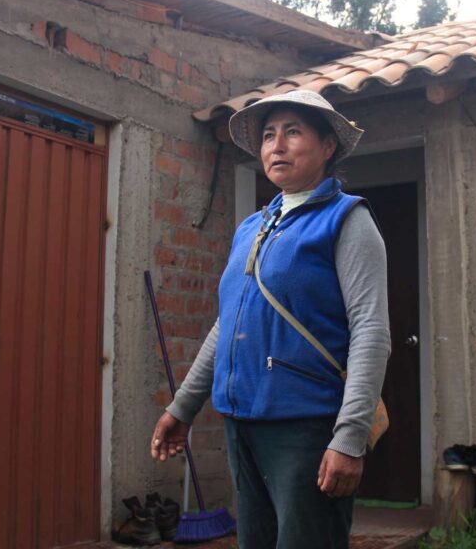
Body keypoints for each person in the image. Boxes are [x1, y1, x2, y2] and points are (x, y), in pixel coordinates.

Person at [150, 89, 390, 549]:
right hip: (242, 423)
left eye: (293, 132)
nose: (276, 146)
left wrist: (350, 437)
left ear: (327, 147)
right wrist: (182, 407)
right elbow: (227, 324)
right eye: (267, 135)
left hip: (306, 428)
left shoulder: (347, 221)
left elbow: (371, 331)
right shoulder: (253, 227)